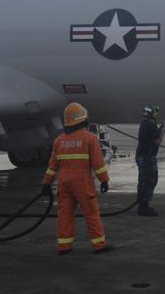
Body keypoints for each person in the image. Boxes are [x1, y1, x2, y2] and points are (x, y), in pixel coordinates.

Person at [42, 102, 113, 255]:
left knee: (65, 214)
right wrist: (104, 180)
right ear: (82, 118)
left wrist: (46, 184)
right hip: (82, 182)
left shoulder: (59, 141)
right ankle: (99, 245)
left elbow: (52, 166)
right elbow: (98, 163)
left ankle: (64, 246)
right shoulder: (90, 138)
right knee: (91, 213)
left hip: (64, 182)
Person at [136, 104, 165, 216]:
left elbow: (153, 135)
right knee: (150, 181)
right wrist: (164, 129)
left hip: (142, 156)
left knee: (143, 181)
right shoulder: (150, 125)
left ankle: (142, 205)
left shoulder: (146, 124)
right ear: (153, 114)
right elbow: (157, 141)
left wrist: (162, 126)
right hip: (147, 157)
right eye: (156, 112)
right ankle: (143, 207)